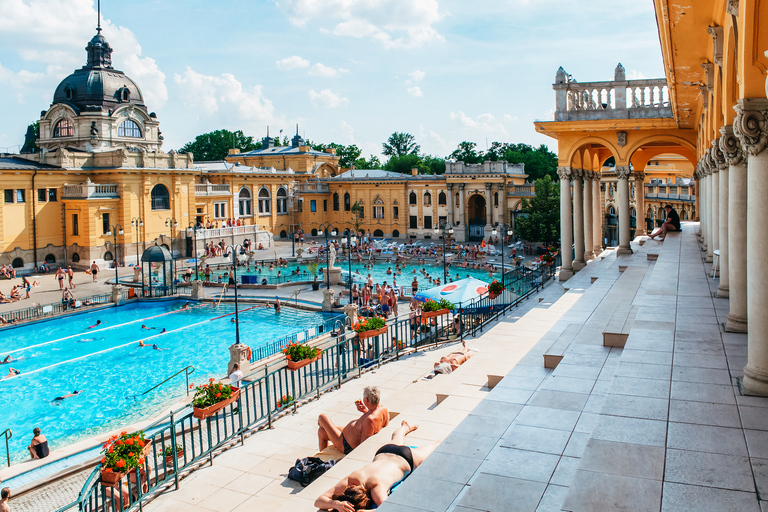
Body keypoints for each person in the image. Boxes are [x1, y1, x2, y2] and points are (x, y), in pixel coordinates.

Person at [315, 421, 436, 511]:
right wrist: (337, 504)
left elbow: (388, 508)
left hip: (407, 458)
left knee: (436, 446)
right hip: (384, 451)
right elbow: (318, 501)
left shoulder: (376, 488)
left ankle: (405, 428)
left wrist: (367, 511)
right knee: (396, 438)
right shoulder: (352, 479)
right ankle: (404, 428)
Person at [317, 386, 389, 455]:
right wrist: (366, 411)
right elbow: (377, 423)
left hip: (345, 444)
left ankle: (322, 425)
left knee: (322, 417)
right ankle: (322, 460)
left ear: (366, 400)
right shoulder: (383, 409)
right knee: (322, 432)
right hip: (349, 435)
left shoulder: (369, 419)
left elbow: (363, 446)